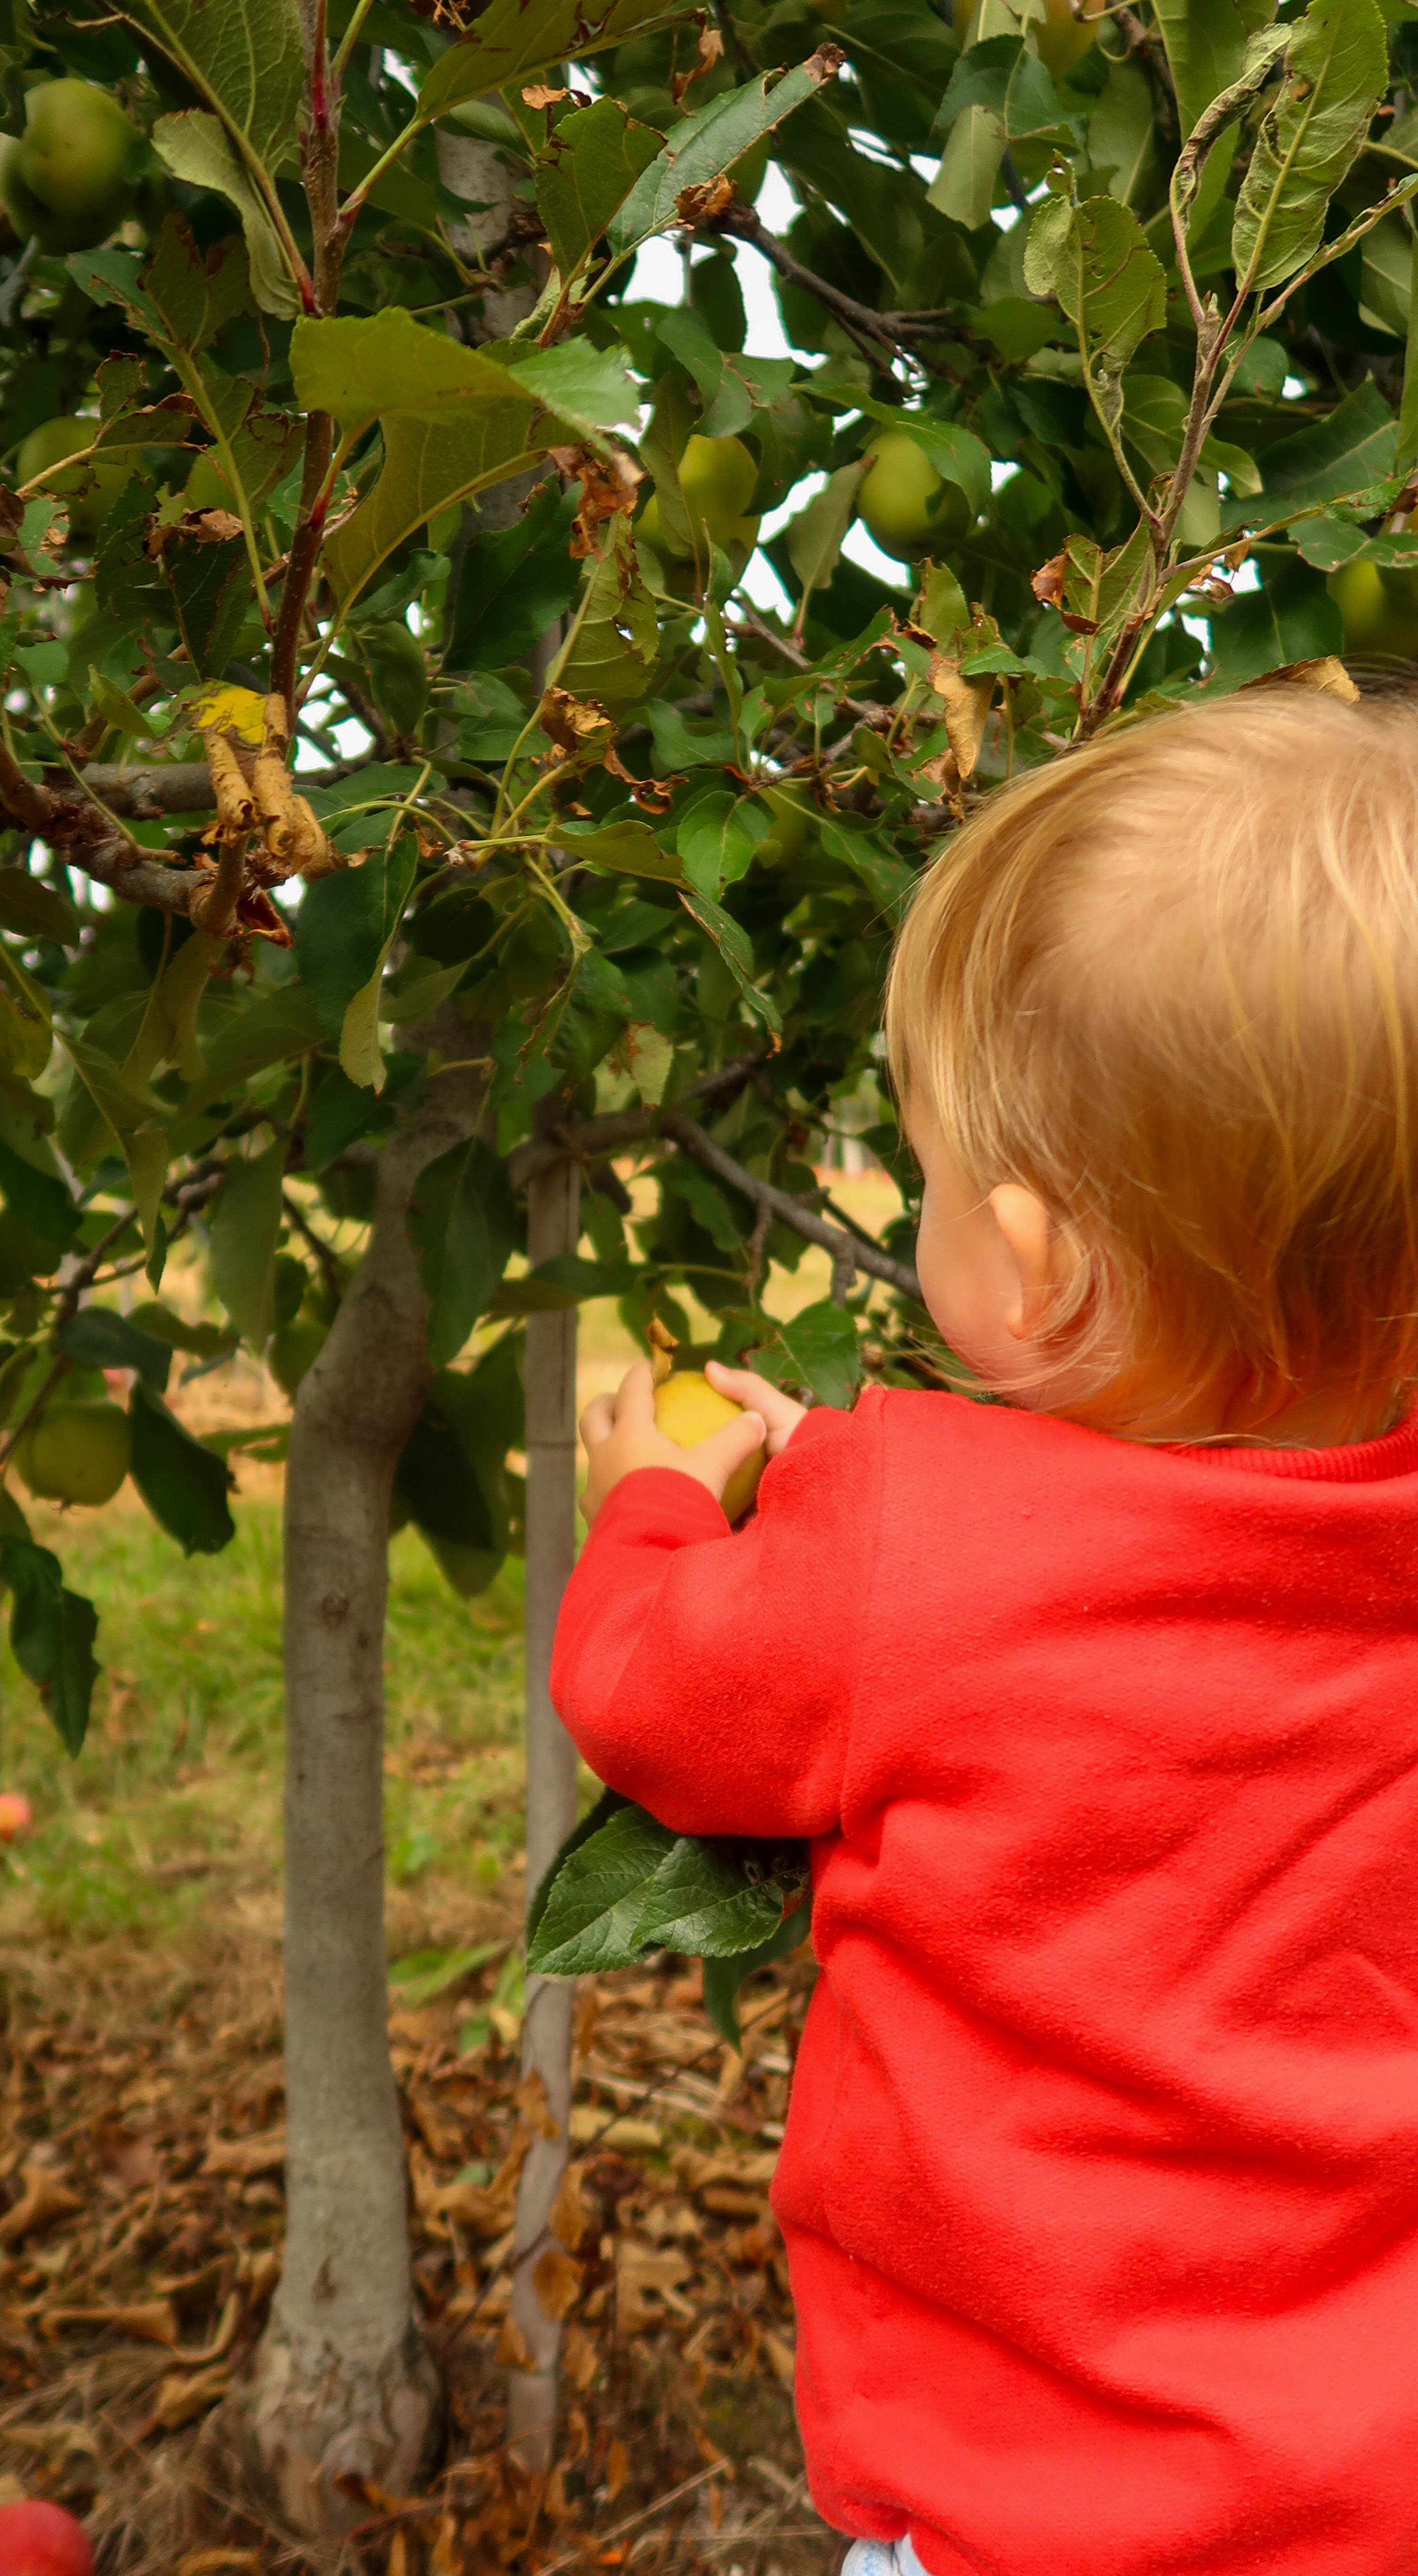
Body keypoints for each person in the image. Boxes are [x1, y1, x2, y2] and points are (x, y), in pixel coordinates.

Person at [551, 691, 1418, 2576]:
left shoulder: (904, 1534)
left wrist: (664, 1504)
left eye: (931, 1163)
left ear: (1035, 1262)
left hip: (1008, 2514)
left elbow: (656, 1694)